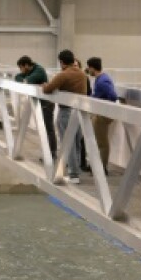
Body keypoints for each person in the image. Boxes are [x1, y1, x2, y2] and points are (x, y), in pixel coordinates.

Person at [42, 49, 89, 183]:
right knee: (76, 142)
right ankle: (76, 171)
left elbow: (47, 89)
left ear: (62, 62)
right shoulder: (81, 74)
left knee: (67, 143)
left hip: (66, 112)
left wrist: (45, 85)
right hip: (80, 112)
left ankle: (73, 174)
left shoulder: (63, 75)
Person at [15, 55, 56, 161]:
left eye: (21, 68)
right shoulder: (29, 71)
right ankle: (47, 152)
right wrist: (24, 78)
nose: (21, 70)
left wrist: (25, 79)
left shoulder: (39, 70)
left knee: (48, 128)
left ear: (27, 65)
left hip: (46, 103)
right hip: (39, 103)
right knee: (44, 128)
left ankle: (51, 153)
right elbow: (17, 77)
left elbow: (26, 81)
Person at [85, 57, 118, 176]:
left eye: (88, 68)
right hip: (101, 113)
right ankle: (97, 165)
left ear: (93, 67)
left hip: (103, 114)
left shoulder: (103, 81)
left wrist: (97, 100)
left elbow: (113, 96)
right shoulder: (101, 79)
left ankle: (102, 167)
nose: (88, 70)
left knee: (102, 142)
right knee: (98, 141)